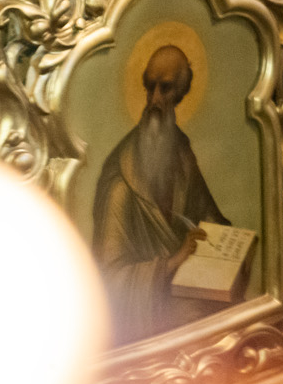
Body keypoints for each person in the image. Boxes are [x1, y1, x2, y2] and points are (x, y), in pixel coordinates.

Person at [91, 45, 230, 342]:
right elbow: (108, 281)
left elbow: (207, 216)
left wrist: (231, 243)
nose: (154, 100)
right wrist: (171, 263)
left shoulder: (180, 152)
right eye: (149, 87)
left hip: (190, 290)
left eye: (165, 89)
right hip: (147, 316)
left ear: (180, 93)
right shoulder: (120, 181)